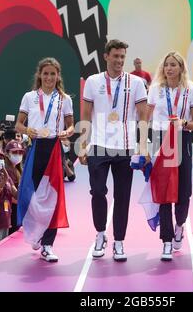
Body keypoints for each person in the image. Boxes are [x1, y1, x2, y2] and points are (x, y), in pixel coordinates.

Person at [80, 39, 149, 262]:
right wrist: (82, 144)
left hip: (125, 148)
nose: (119, 60)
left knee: (122, 197)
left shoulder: (137, 83)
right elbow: (85, 114)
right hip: (99, 146)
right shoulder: (92, 81)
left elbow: (143, 116)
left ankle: (119, 241)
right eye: (116, 56)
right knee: (98, 192)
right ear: (106, 57)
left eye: (122, 57)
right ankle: (100, 235)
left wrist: (143, 145)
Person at [15, 57, 74, 262]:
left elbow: (71, 125)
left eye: (53, 73)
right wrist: (26, 130)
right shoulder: (29, 97)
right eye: (45, 73)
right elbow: (18, 125)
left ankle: (48, 244)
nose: (49, 77)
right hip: (36, 147)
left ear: (58, 76)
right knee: (30, 195)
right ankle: (35, 233)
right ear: (39, 75)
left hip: (54, 149)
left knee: (53, 197)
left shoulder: (65, 99)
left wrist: (67, 131)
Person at [146, 51, 193, 261]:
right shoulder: (155, 90)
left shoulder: (191, 91)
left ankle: (179, 226)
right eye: (166, 64)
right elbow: (146, 119)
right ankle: (167, 241)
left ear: (181, 68)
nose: (169, 68)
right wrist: (144, 146)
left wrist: (184, 123)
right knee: (164, 192)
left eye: (173, 65)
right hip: (161, 141)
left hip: (183, 139)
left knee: (183, 192)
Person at [4, 140, 25, 234]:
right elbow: (7, 194)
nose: (18, 155)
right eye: (14, 152)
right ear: (7, 153)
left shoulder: (18, 169)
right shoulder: (7, 170)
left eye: (20, 152)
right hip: (11, 210)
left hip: (18, 209)